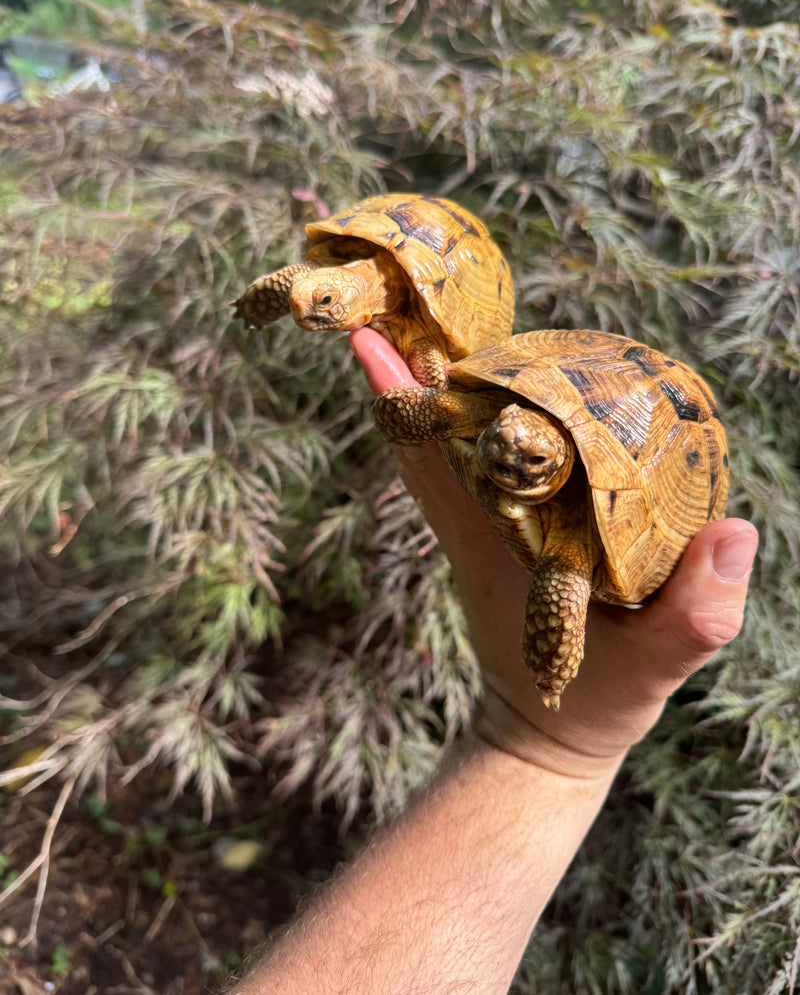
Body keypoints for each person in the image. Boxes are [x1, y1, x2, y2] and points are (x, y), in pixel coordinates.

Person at [227, 326, 758, 995]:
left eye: (529, 466)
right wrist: (548, 746)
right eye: (499, 444)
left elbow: (565, 568)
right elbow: (437, 407)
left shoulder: (572, 545)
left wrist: (549, 714)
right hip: (537, 390)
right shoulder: (494, 425)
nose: (506, 462)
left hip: (606, 486)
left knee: (561, 587)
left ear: (558, 470)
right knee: (433, 412)